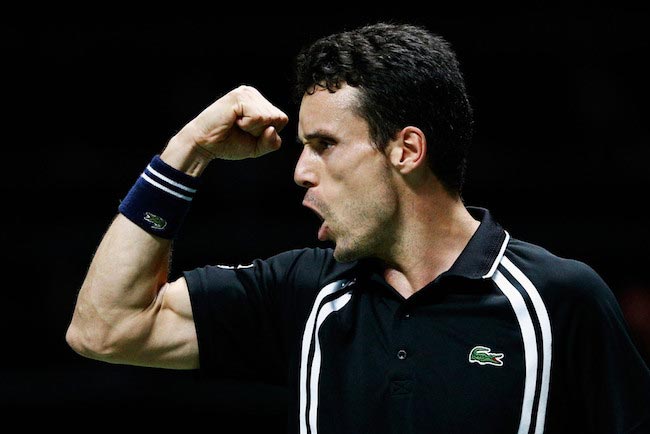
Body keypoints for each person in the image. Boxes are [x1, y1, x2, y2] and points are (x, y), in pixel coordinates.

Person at [66, 21, 650, 433]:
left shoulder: (559, 300)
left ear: (406, 149)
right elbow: (105, 327)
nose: (299, 172)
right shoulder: (305, 292)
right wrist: (186, 151)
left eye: (324, 145)